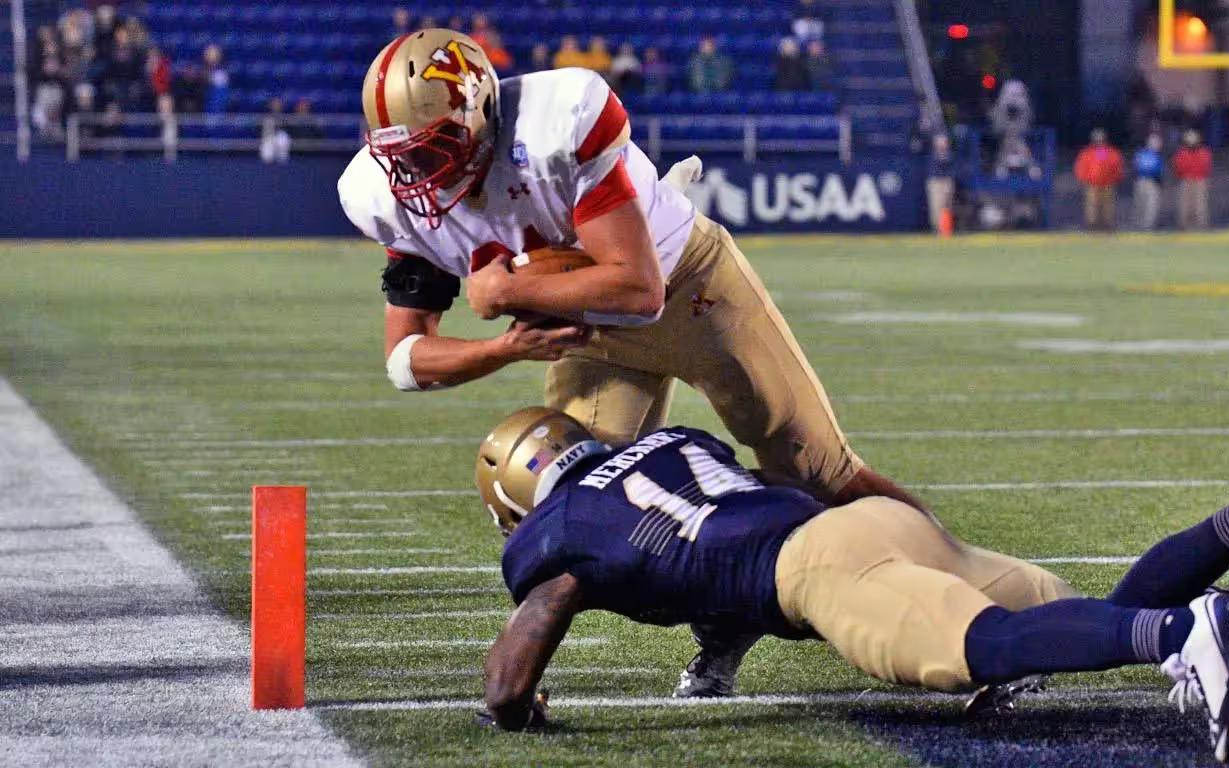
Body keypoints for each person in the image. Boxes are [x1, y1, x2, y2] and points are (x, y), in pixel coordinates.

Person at [338, 30, 934, 698]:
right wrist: (504, 348)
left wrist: (506, 292)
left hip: (691, 288)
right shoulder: (393, 200)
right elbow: (406, 357)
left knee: (817, 471)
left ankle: (958, 585)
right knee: (570, 514)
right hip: (591, 339)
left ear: (479, 115)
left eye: (434, 152)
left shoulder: (555, 123)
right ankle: (653, 645)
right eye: (402, 158)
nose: (419, 177)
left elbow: (638, 288)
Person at [473, 407, 1229, 763]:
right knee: (1098, 616)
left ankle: (1188, 638)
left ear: (520, 497)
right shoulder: (673, 442)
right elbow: (711, 548)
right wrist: (715, 662)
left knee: (992, 650)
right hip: (867, 528)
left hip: (822, 570)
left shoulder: (550, 534)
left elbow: (525, 654)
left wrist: (511, 710)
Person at [1073, 128, 1124, 231]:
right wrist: (1084, 179)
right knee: (1092, 205)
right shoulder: (1086, 153)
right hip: (1092, 184)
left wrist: (1115, 178)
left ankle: (1107, 225)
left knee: (1108, 206)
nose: (1099, 141)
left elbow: (1117, 166)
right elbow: (1080, 167)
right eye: (1097, 139)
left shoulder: (1111, 152)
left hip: (1108, 184)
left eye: (1101, 139)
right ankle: (1092, 226)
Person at [1173, 130, 1212, 230]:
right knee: (1185, 204)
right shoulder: (1182, 153)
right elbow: (1178, 166)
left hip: (1199, 180)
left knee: (1200, 204)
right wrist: (1184, 175)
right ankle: (1184, 225)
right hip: (1186, 179)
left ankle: (1200, 225)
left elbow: (1206, 166)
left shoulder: (1203, 152)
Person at [1132, 132, 1164, 231]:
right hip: (1142, 180)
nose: (1157, 145)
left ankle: (1148, 225)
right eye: (1155, 142)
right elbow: (1136, 167)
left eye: (1158, 143)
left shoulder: (1158, 156)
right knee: (1140, 203)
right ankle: (1139, 224)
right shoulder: (1141, 153)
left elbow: (1160, 171)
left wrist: (1160, 182)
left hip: (1153, 182)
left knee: (1152, 205)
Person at [925, 133, 955, 235]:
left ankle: (946, 229)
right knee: (936, 206)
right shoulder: (932, 153)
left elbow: (950, 168)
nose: (943, 143)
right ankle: (936, 229)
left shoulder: (949, 154)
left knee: (947, 205)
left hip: (946, 181)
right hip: (935, 181)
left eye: (944, 141)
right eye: (940, 141)